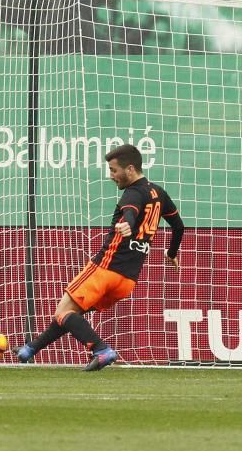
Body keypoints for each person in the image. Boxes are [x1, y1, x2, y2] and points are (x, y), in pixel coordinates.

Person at [14, 144, 184, 371]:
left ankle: (101, 349)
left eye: (114, 170)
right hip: (127, 281)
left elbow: (130, 213)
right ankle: (30, 350)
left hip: (105, 268)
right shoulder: (159, 193)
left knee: (64, 313)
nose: (111, 176)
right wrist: (171, 253)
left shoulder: (132, 192)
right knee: (71, 315)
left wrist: (128, 226)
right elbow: (178, 226)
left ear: (130, 169)